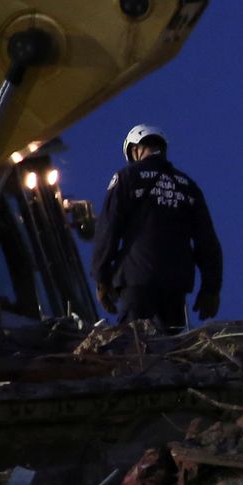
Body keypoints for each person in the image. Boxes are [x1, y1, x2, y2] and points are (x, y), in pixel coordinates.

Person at [91, 124, 223, 331]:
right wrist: (211, 290)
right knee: (169, 354)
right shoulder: (188, 186)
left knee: (136, 351)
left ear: (135, 150)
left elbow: (108, 229)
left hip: (136, 282)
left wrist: (102, 278)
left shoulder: (127, 177)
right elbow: (207, 242)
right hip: (175, 287)